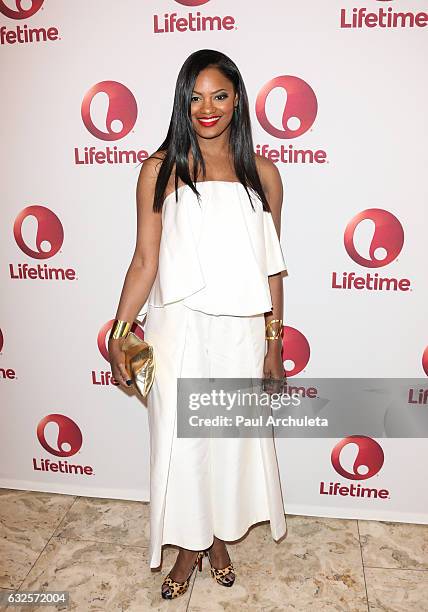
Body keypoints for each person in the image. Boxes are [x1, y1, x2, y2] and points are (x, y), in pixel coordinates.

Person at [108, 48, 288, 601]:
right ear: (181, 101)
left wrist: (273, 342)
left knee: (228, 442)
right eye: (195, 96)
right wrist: (120, 332)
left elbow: (272, 265)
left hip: (238, 333)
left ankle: (215, 540)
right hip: (178, 331)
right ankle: (189, 547)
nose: (206, 108)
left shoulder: (263, 175)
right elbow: (145, 259)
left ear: (237, 100)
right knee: (182, 443)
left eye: (219, 95)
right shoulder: (159, 170)